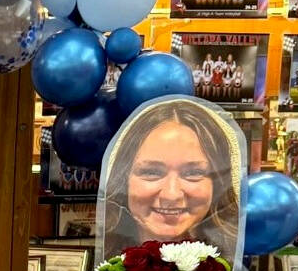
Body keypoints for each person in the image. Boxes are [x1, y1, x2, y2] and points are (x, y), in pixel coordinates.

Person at [99, 97, 242, 259]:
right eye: (152, 172)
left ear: (217, 184)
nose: (171, 195)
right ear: (124, 180)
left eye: (193, 173)